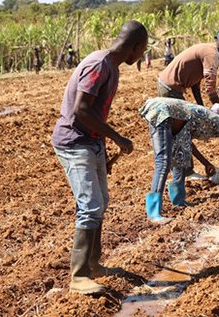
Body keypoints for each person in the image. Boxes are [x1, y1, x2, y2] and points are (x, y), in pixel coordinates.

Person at [52, 21, 148, 296]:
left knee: (100, 202)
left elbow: (95, 114)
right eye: (141, 51)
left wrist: (103, 149)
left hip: (91, 142)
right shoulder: (99, 65)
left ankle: (93, 264)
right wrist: (118, 138)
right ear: (135, 48)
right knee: (90, 205)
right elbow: (82, 110)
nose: (140, 56)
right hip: (74, 142)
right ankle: (79, 275)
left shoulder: (111, 67)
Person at [139, 97, 219, 223]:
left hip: (169, 116)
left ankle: (179, 200)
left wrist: (206, 163)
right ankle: (153, 213)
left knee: (181, 156)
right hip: (163, 112)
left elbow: (188, 143)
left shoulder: (205, 117)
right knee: (163, 161)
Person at [157, 28, 219, 178]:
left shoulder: (208, 51)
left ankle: (187, 170)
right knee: (182, 130)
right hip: (170, 89)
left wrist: (201, 106)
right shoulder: (212, 55)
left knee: (182, 129)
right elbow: (210, 89)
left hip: (170, 86)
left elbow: (196, 84)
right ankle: (185, 172)